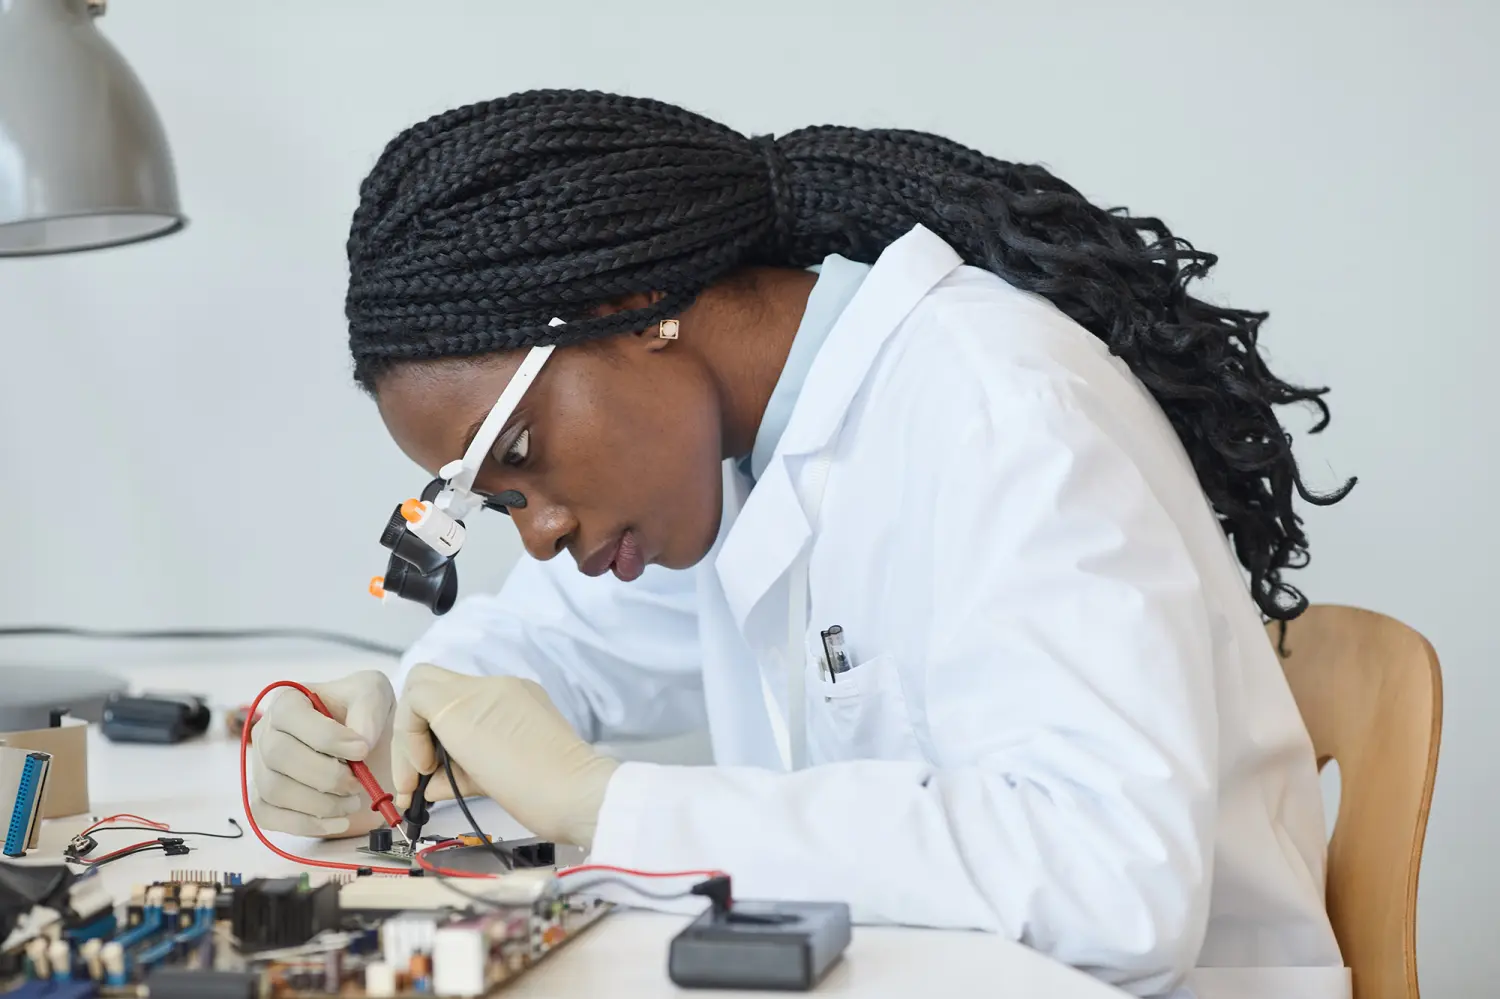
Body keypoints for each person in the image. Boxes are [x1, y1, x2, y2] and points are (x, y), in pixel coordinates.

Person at [250, 89, 1355, 999]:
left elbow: (1117, 888)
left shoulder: (999, 410)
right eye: (497, 503)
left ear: (637, 306)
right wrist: (401, 719)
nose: (540, 534)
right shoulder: (734, 456)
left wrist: (608, 806)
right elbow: (548, 653)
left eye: (526, 456)